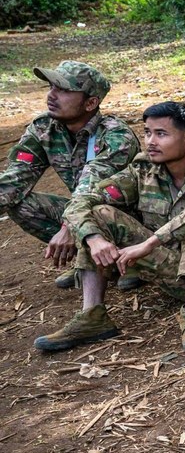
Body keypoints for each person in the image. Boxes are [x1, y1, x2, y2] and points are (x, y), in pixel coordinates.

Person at [37, 102, 185, 353]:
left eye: (161, 134)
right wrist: (93, 238)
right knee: (99, 214)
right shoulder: (143, 169)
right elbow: (83, 201)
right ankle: (93, 315)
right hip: (172, 272)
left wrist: (149, 243)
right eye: (147, 133)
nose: (151, 141)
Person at [0, 61, 139, 290]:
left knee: (97, 209)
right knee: (20, 203)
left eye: (63, 90)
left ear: (91, 103)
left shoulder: (116, 136)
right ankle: (95, 258)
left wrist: (68, 226)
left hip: (130, 221)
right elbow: (15, 180)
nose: (51, 95)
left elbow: (93, 187)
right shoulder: (45, 128)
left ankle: (135, 261)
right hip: (85, 216)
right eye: (51, 87)